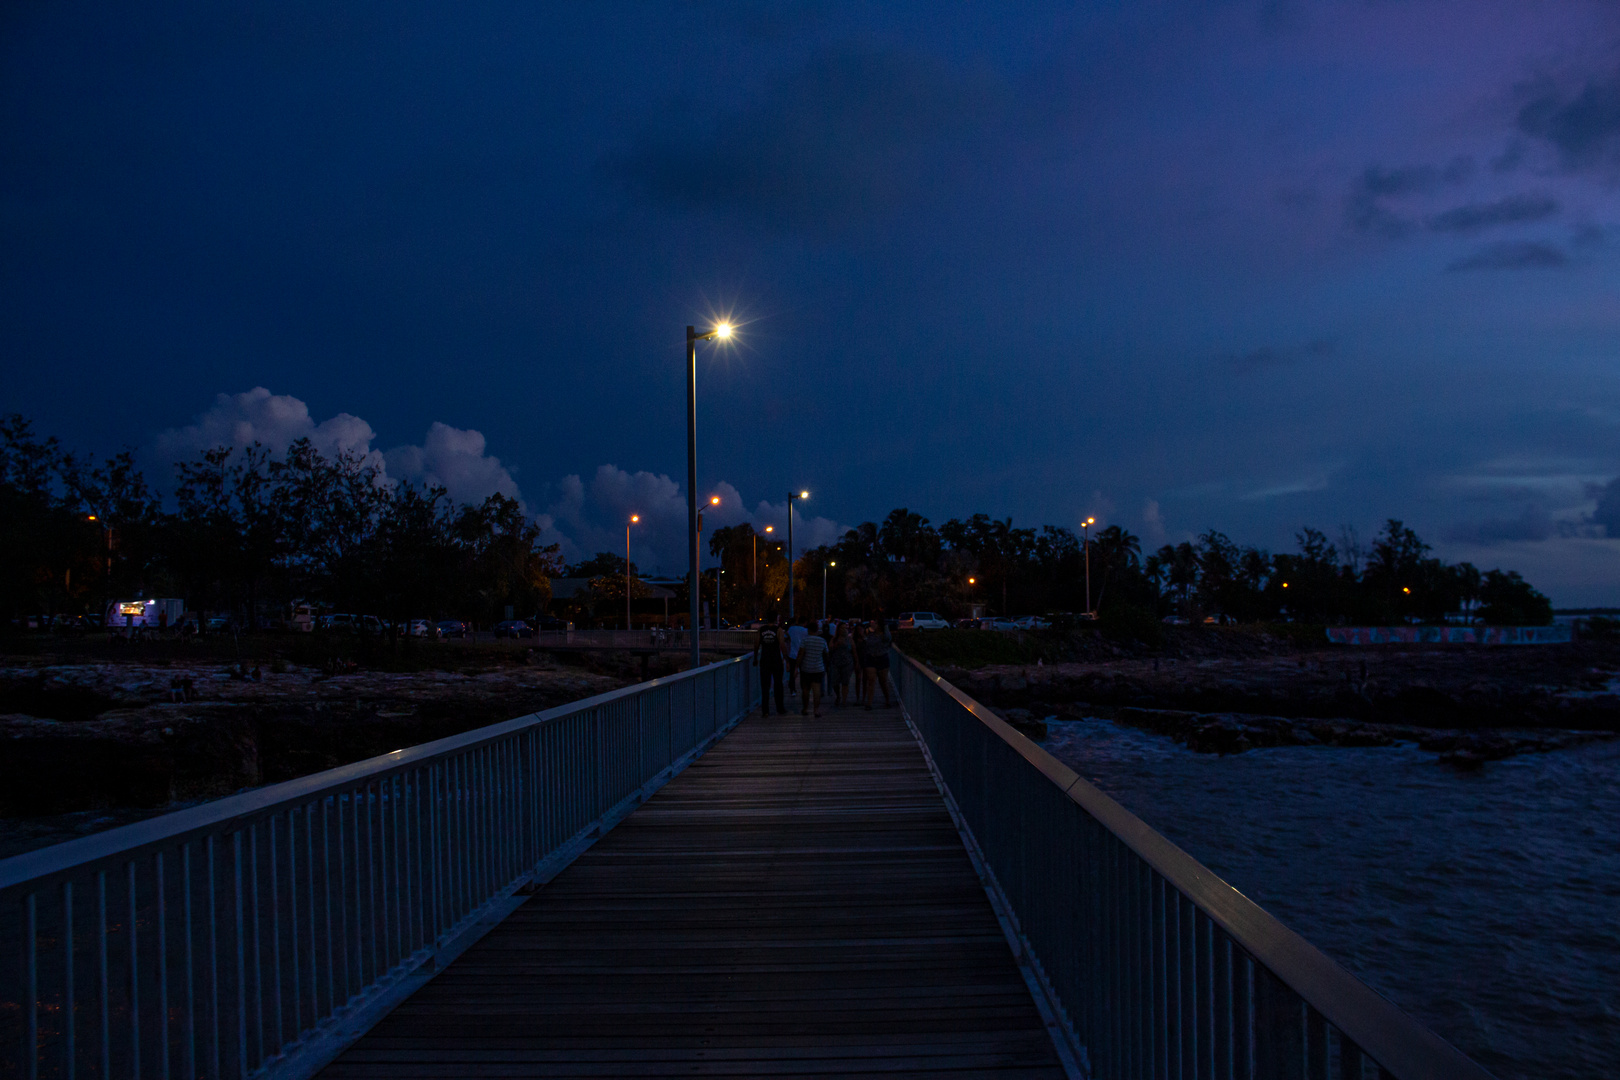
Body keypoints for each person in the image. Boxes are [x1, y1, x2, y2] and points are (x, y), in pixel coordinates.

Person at [754, 613, 787, 716]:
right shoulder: (778, 630)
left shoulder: (761, 630)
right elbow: (782, 645)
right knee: (778, 685)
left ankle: (765, 711)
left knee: (765, 686)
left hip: (765, 659)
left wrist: (755, 658)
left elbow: (756, 644)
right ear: (776, 620)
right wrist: (786, 659)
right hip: (776, 659)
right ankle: (780, 708)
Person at [859, 619, 895, 710]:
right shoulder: (868, 633)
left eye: (875, 623)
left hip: (882, 658)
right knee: (871, 680)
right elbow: (864, 643)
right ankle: (869, 703)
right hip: (870, 658)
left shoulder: (884, 635)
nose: (872, 624)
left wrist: (885, 626)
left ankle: (887, 700)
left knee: (883, 681)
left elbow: (888, 638)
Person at [797, 619, 829, 717]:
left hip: (806, 668)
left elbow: (800, 655)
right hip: (818, 668)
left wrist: (796, 667)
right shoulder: (822, 641)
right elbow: (826, 654)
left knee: (805, 690)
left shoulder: (805, 640)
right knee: (817, 690)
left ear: (808, 630)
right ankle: (816, 710)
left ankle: (805, 709)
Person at [827, 623, 855, 707]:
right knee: (835, 682)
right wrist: (836, 644)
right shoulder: (834, 639)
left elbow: (854, 650)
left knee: (845, 682)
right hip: (836, 663)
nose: (844, 630)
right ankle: (838, 695)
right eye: (842, 628)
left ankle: (844, 700)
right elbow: (830, 649)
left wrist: (856, 662)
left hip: (847, 663)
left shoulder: (849, 639)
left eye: (845, 628)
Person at [785, 617, 809, 695]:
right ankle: (804, 689)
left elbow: (786, 636)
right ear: (805, 622)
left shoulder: (791, 629)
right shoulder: (805, 631)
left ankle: (792, 689)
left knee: (792, 673)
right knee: (803, 673)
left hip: (792, 654)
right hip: (802, 654)